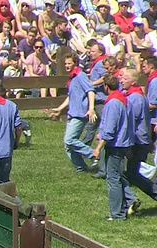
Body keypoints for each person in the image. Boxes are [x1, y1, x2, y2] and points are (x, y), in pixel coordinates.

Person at [93, 75, 137, 220]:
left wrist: (98, 148)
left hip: (115, 145)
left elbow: (110, 130)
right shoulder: (125, 100)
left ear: (106, 86)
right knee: (119, 175)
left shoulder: (112, 103)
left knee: (113, 179)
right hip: (125, 143)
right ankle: (128, 202)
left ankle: (117, 214)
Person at [49, 52, 96, 172]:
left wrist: (91, 108)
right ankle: (80, 167)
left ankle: (94, 154)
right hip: (72, 112)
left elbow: (90, 91)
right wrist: (59, 109)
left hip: (80, 113)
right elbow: (71, 96)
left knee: (69, 140)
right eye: (65, 64)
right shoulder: (73, 77)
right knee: (68, 145)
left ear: (75, 63)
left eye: (69, 63)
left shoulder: (81, 76)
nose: (67, 66)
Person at [121, 69, 157, 203]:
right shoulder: (136, 95)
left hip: (137, 140)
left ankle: (132, 200)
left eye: (125, 78)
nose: (121, 80)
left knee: (130, 173)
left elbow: (131, 121)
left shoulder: (134, 98)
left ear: (133, 81)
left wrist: (129, 145)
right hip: (140, 139)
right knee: (130, 172)